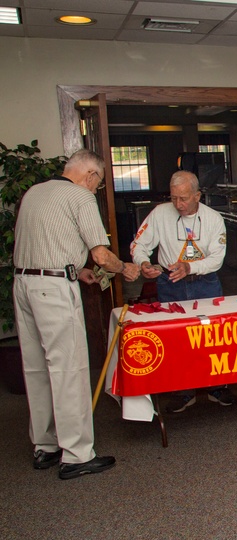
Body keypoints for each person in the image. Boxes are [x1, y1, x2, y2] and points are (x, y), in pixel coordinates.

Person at [13, 149, 140, 480]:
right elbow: (101, 254)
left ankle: (46, 445)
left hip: (24, 283)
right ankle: (77, 454)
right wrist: (123, 268)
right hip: (53, 291)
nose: (95, 190)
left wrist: (76, 269)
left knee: (37, 367)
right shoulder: (80, 196)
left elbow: (47, 243)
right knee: (68, 368)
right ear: (91, 176)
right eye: (97, 185)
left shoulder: (35, 192)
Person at [130, 170, 237, 412]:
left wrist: (190, 267)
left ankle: (216, 387)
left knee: (212, 338)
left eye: (184, 199)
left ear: (197, 196)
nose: (177, 204)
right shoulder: (160, 214)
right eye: (173, 198)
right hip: (171, 284)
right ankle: (183, 392)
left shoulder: (213, 219)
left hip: (205, 282)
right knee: (177, 339)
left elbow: (217, 260)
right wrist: (143, 263)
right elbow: (139, 244)